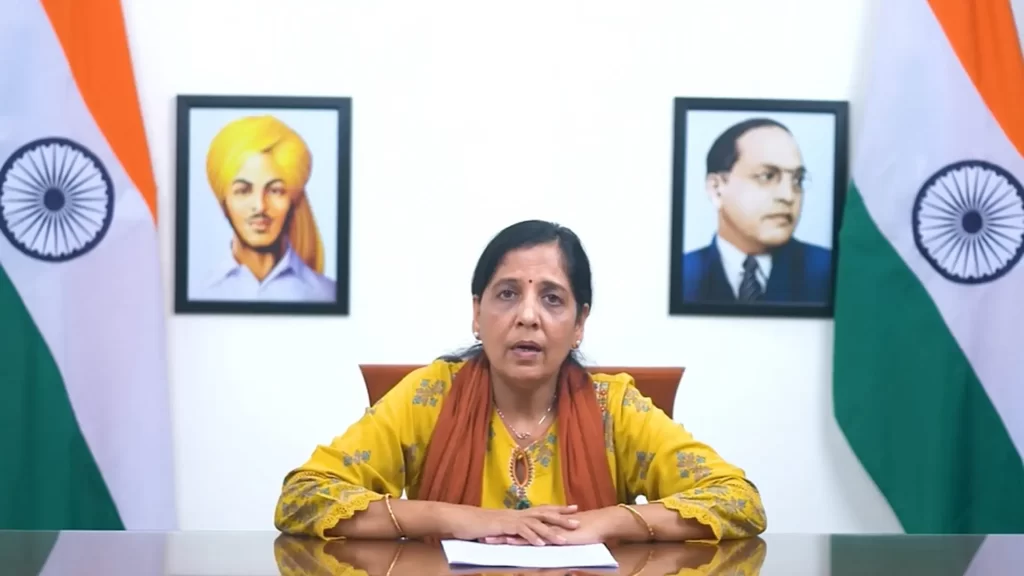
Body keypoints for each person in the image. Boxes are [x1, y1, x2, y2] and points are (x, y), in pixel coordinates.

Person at [274, 220, 766, 545]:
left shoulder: (613, 407)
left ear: (579, 323)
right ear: (477, 313)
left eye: (552, 299)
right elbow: (303, 498)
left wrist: (607, 522)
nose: (528, 317)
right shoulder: (430, 396)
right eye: (507, 294)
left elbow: (738, 502)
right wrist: (457, 518)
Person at [682, 118, 832, 304]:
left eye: (798, 180)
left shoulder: (829, 271)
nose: (788, 196)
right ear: (717, 189)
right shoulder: (682, 275)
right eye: (767, 176)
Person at [196, 115, 336, 303]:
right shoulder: (198, 292)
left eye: (275, 190)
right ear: (224, 202)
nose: (260, 206)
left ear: (293, 200)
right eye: (243, 190)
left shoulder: (328, 294)